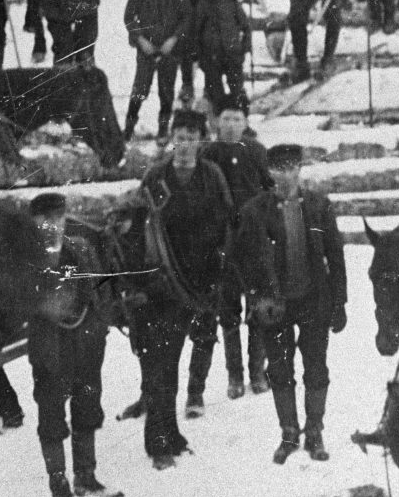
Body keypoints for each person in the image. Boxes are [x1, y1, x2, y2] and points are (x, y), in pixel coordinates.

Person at [238, 141, 349, 464]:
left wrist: (340, 303)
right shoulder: (255, 210)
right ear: (270, 172)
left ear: (300, 169)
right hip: (275, 305)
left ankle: (314, 431)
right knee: (279, 369)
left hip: (314, 299)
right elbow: (242, 260)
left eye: (291, 168)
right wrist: (256, 298)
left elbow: (336, 256)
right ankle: (288, 432)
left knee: (316, 368)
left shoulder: (318, 206)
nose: (285, 176)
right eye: (278, 169)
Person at [135, 112, 237, 459]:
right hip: (160, 282)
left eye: (192, 137)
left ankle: (172, 431)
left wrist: (219, 271)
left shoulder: (212, 176)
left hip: (199, 281)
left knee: (178, 353)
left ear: (201, 141)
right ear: (171, 139)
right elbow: (139, 223)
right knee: (160, 361)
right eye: (179, 136)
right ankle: (157, 439)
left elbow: (226, 223)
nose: (185, 144)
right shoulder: (155, 176)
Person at [25, 191, 118, 497]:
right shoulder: (26, 259)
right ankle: (59, 484)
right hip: (50, 348)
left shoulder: (80, 248)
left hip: (86, 345)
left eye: (58, 218)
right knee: (51, 414)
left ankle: (86, 476)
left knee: (87, 406)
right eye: (45, 219)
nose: (53, 225)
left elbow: (101, 289)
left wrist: (99, 325)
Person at [192, 101, 272, 401]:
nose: (231, 124)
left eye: (237, 119)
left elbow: (271, 189)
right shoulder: (207, 155)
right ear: (217, 122)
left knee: (258, 308)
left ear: (246, 122)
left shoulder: (257, 151)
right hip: (221, 243)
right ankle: (235, 375)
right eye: (226, 118)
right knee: (227, 311)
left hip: (254, 243)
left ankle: (257, 371)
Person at [122, 0, 193, 138]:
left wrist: (174, 39)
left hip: (169, 50)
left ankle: (163, 129)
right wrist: (140, 40)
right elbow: (129, 18)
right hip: (146, 49)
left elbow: (186, 18)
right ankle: (128, 128)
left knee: (166, 91)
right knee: (139, 89)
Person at [188, 0, 252, 110]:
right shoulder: (203, 5)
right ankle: (218, 116)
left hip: (232, 55)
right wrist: (197, 55)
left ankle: (241, 117)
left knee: (237, 90)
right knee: (214, 91)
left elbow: (246, 28)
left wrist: (245, 49)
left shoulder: (234, 4)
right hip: (210, 56)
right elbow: (195, 32)